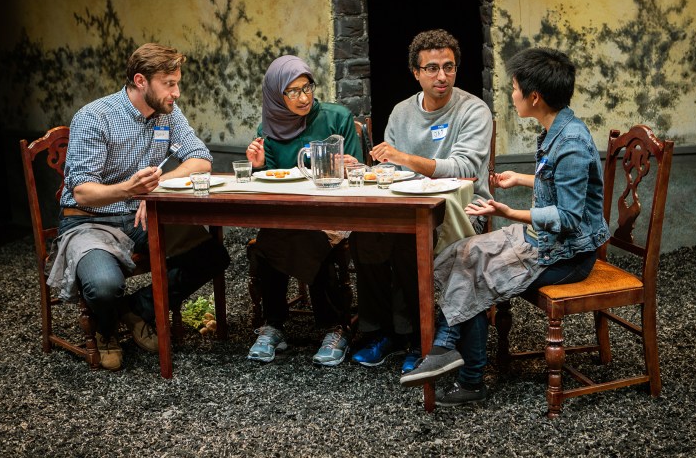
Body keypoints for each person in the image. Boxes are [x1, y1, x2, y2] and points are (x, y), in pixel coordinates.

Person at [399, 47, 610, 406]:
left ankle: (467, 377)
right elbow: (560, 184)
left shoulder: (571, 142)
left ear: (534, 96)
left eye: (514, 88)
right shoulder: (556, 128)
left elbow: (570, 218)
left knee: (480, 273)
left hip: (567, 255)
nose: (512, 96)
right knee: (462, 252)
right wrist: (523, 179)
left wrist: (510, 213)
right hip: (542, 239)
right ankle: (447, 347)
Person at [51, 43, 231, 371]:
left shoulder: (167, 113)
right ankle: (105, 330)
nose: (177, 92)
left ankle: (134, 311)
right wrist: (129, 190)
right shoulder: (95, 117)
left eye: (178, 82)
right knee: (105, 286)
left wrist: (154, 192)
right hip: (89, 222)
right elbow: (82, 193)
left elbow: (201, 159)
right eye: (169, 83)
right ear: (141, 81)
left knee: (212, 256)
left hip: (141, 213)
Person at [349, 29, 493, 373]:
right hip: (407, 206)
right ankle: (380, 333)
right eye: (431, 68)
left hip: (463, 210)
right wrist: (367, 168)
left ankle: (418, 336)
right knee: (365, 237)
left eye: (449, 67)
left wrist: (405, 158)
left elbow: (464, 168)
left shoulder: (473, 111)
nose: (441, 76)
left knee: (408, 243)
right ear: (416, 73)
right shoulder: (401, 112)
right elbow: (388, 169)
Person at [244, 55, 363, 366]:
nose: (303, 97)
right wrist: (257, 167)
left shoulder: (337, 117)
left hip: (335, 211)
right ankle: (324, 327)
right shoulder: (267, 128)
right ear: (275, 94)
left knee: (294, 239)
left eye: (307, 87)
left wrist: (350, 166)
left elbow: (360, 173)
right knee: (278, 233)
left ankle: (290, 325)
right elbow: (268, 183)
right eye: (292, 91)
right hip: (288, 214)